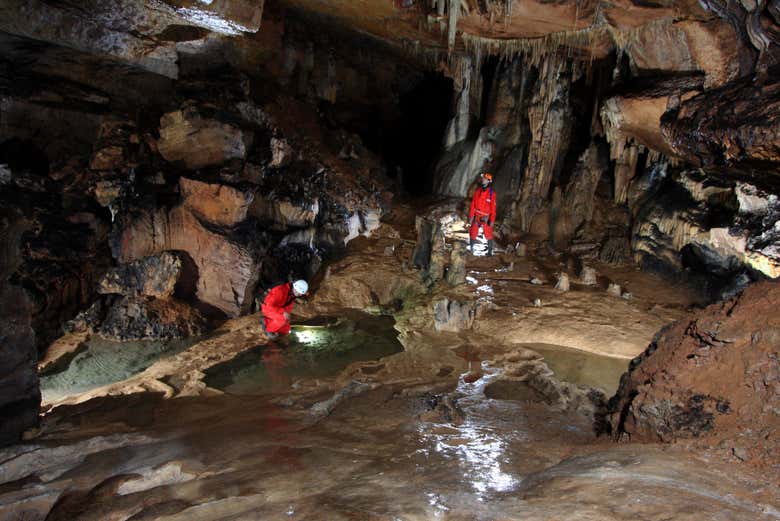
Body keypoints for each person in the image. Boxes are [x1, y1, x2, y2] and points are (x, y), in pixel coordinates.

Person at [468, 172, 497, 256]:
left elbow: (493, 209)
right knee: (473, 231)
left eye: (484, 178)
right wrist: (471, 216)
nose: (483, 180)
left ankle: (489, 251)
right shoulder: (478, 191)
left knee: (488, 233)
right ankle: (471, 249)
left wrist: (492, 220)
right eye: (483, 178)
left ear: (488, 181)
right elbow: (473, 204)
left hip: (486, 217)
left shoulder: (492, 194)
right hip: (477, 215)